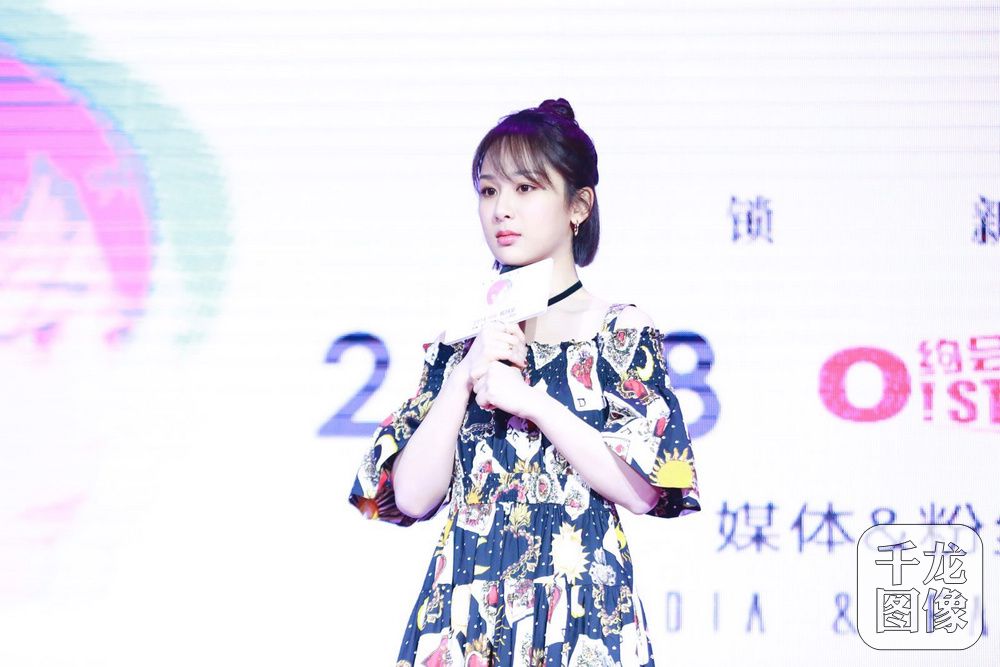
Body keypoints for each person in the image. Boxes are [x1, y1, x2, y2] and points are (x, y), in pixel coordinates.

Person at [348, 98, 702, 666]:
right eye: (488, 191)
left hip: (580, 613)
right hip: (466, 613)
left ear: (578, 205)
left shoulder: (618, 331)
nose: (501, 210)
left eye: (526, 188)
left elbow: (644, 490)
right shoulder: (460, 341)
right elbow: (411, 498)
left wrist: (532, 402)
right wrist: (463, 377)